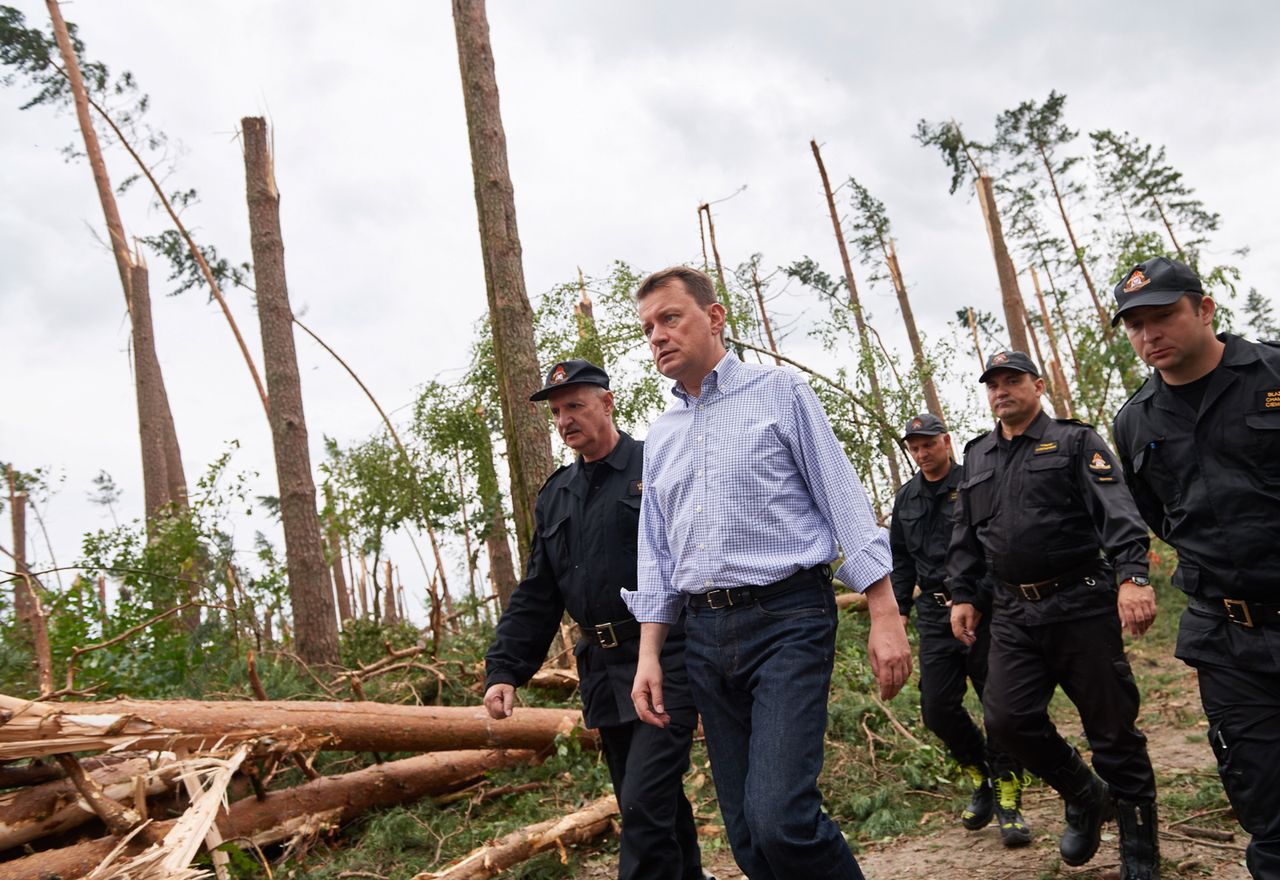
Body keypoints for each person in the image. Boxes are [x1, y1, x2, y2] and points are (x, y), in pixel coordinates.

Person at [623, 266, 912, 880]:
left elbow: (843, 501)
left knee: (782, 816)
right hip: (703, 636)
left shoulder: (780, 394)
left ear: (715, 316)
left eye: (670, 318)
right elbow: (657, 555)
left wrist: (884, 613)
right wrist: (651, 656)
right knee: (750, 838)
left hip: (788, 619)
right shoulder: (662, 435)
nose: (657, 336)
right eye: (648, 327)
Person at [483, 359, 707, 880]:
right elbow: (539, 591)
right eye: (557, 411)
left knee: (645, 805)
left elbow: (693, 557)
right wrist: (505, 670)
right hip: (603, 670)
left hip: (664, 656)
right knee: (653, 803)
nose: (564, 420)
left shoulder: (656, 467)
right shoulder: (556, 494)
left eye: (575, 406)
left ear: (607, 403)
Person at [947, 350, 1160, 880]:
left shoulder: (1074, 441)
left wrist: (1132, 577)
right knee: (1007, 720)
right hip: (1015, 611)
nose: (1002, 390)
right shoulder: (977, 456)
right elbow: (966, 538)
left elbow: (1119, 512)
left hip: (1082, 605)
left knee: (1112, 730)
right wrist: (963, 594)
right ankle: (1084, 794)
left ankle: (1140, 851)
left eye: (1013, 380)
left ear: (1037, 386)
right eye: (993, 383)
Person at [1112, 256, 1280, 879]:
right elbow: (1156, 516)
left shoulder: (1272, 372)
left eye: (1163, 317)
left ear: (1205, 309)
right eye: (1135, 326)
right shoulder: (1135, 422)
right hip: (1228, 640)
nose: (1149, 335)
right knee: (1266, 806)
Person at [890, 412, 1030, 846]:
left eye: (928, 443)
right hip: (933, 616)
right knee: (937, 708)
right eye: (914, 446)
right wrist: (898, 615)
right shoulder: (907, 498)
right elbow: (900, 561)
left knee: (998, 705)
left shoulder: (976, 483)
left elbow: (997, 544)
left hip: (984, 611)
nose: (921, 452)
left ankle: (1009, 793)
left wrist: (978, 597)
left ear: (946, 441)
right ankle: (979, 773)